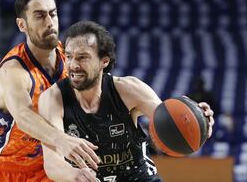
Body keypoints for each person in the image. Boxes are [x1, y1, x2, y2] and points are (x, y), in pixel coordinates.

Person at [38, 21, 215, 182]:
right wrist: (74, 175)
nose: (73, 65)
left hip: (138, 177)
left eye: (83, 57)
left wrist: (197, 118)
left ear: (104, 61)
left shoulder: (128, 90)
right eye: (69, 56)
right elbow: (52, 162)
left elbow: (168, 118)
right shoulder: (52, 99)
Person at [0, 0, 100, 182]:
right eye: (40, 16)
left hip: (50, 164)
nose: (49, 22)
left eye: (52, 14)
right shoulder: (13, 72)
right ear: (22, 25)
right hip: (7, 171)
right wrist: (62, 140)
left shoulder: (69, 58)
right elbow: (24, 116)